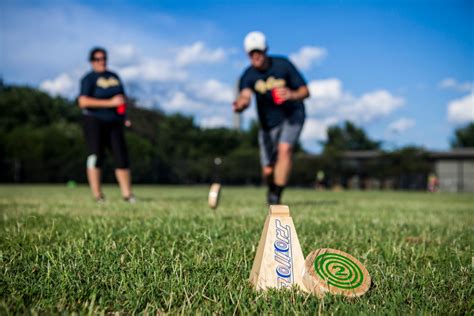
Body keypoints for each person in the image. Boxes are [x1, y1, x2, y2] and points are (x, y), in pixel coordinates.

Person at [233, 31, 310, 204]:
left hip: (293, 115)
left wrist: (291, 94)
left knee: (285, 149)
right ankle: (271, 188)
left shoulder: (283, 65)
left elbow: (305, 91)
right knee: (268, 170)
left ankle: (276, 196)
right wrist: (241, 104)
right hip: (268, 124)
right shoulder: (248, 76)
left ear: (266, 50)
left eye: (259, 52)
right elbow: (245, 95)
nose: (256, 56)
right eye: (252, 53)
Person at [78, 47, 135, 203]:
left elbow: (121, 99)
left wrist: (124, 116)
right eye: (97, 59)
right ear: (92, 61)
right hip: (94, 120)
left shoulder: (114, 76)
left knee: (121, 157)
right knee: (96, 156)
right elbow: (83, 102)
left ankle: (127, 194)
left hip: (115, 122)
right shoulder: (88, 79)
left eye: (104, 58)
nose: (101, 61)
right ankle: (98, 195)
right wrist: (109, 103)